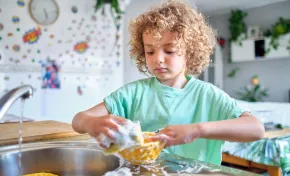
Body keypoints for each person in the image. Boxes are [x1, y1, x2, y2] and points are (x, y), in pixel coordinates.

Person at [72, 0, 264, 165]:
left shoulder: (207, 95)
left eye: (169, 51)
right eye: (150, 51)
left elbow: (256, 129)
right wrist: (91, 123)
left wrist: (198, 130)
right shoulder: (133, 94)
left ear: (189, 51)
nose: (158, 59)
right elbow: (78, 120)